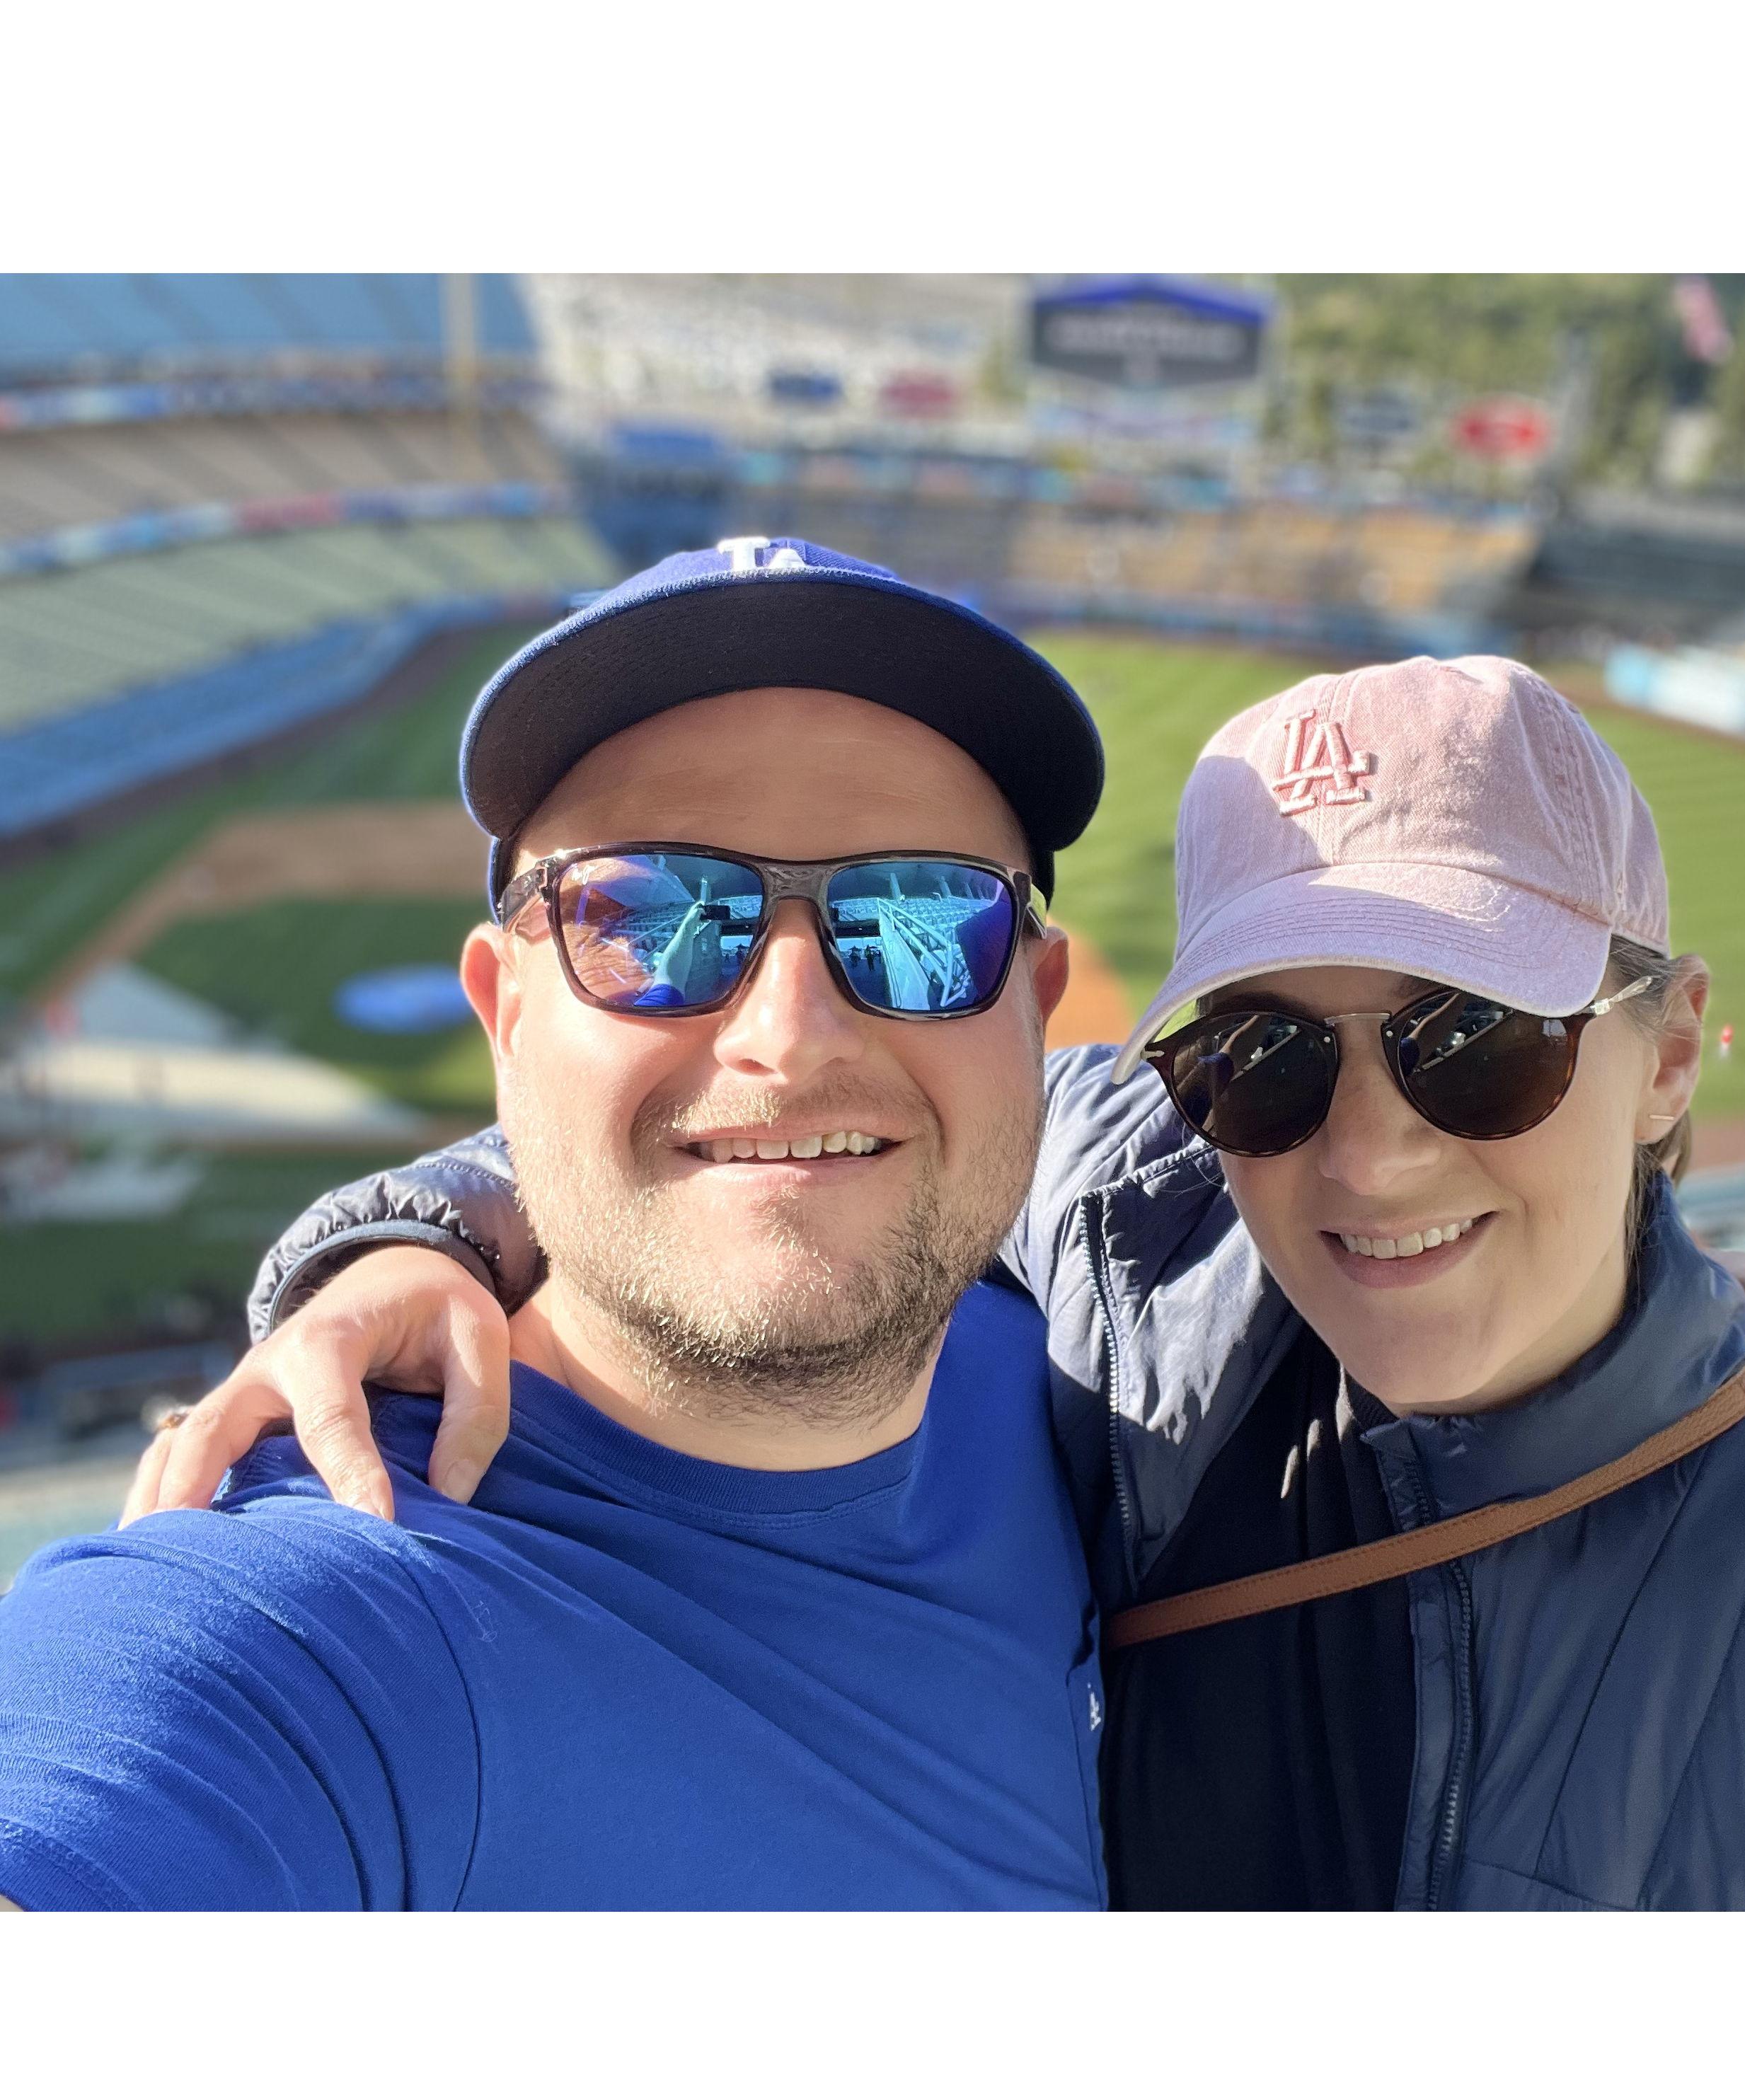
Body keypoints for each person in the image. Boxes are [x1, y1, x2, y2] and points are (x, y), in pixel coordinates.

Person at [118, 636, 1745, 1910]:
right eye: (1257, 1058)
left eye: (1476, 1043)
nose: (1369, 1148)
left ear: (1670, 1051)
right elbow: (793, 1124)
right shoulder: (1119, 1209)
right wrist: (415, 1232)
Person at [0, 540, 1115, 1910]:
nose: (787, 1032)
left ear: (1037, 1003)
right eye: (651, 920)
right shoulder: (330, 1615)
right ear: (505, 1010)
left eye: (915, 919)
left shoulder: (1099, 1362)